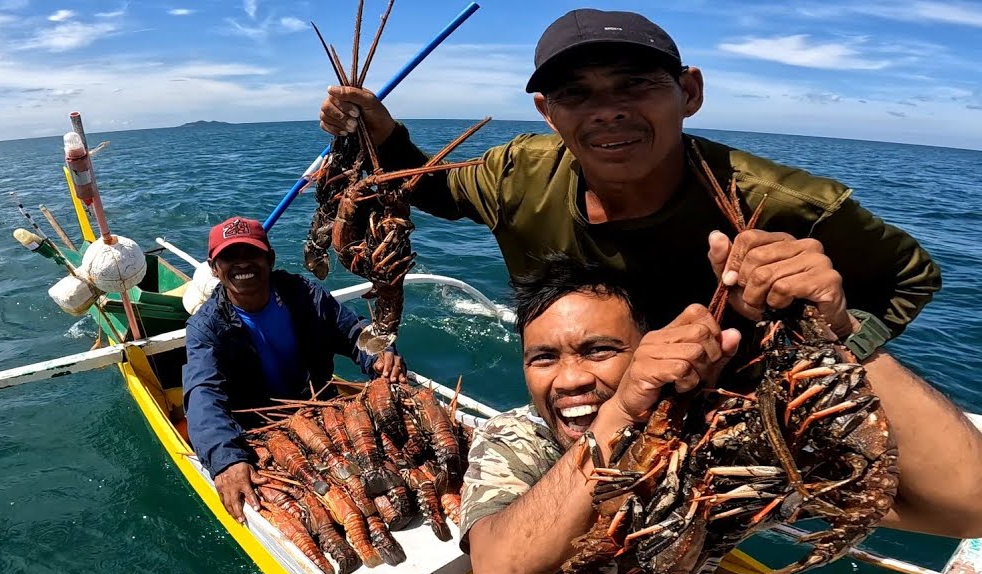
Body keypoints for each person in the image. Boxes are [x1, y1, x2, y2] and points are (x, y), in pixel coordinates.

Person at [458, 251, 982, 574]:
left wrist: (846, 337)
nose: (569, 378)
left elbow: (968, 507)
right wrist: (620, 411)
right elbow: (502, 572)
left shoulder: (720, 455)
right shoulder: (517, 438)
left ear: (653, 349)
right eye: (543, 357)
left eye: (598, 350)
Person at [318, 8, 941, 349]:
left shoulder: (784, 203)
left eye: (635, 84)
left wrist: (842, 333)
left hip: (719, 410)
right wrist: (381, 133)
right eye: (576, 94)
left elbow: (911, 278)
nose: (607, 111)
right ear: (547, 112)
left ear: (688, 92)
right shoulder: (517, 171)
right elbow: (431, 188)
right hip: (579, 402)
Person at [183, 216, 406, 523]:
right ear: (214, 268)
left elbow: (353, 331)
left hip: (321, 411)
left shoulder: (304, 294)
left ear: (270, 258)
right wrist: (226, 459)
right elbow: (203, 394)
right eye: (230, 256)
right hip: (260, 432)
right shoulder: (205, 327)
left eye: (251, 253)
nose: (242, 263)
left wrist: (380, 352)